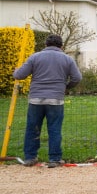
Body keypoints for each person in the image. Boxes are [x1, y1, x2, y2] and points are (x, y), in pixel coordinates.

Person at [13, 34, 82, 168]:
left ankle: (30, 157)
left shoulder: (35, 57)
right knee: (54, 129)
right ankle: (54, 159)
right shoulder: (67, 59)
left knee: (32, 128)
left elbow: (19, 75)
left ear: (45, 44)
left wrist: (16, 71)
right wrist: (66, 87)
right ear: (61, 46)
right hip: (56, 99)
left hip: (36, 99)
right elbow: (77, 77)